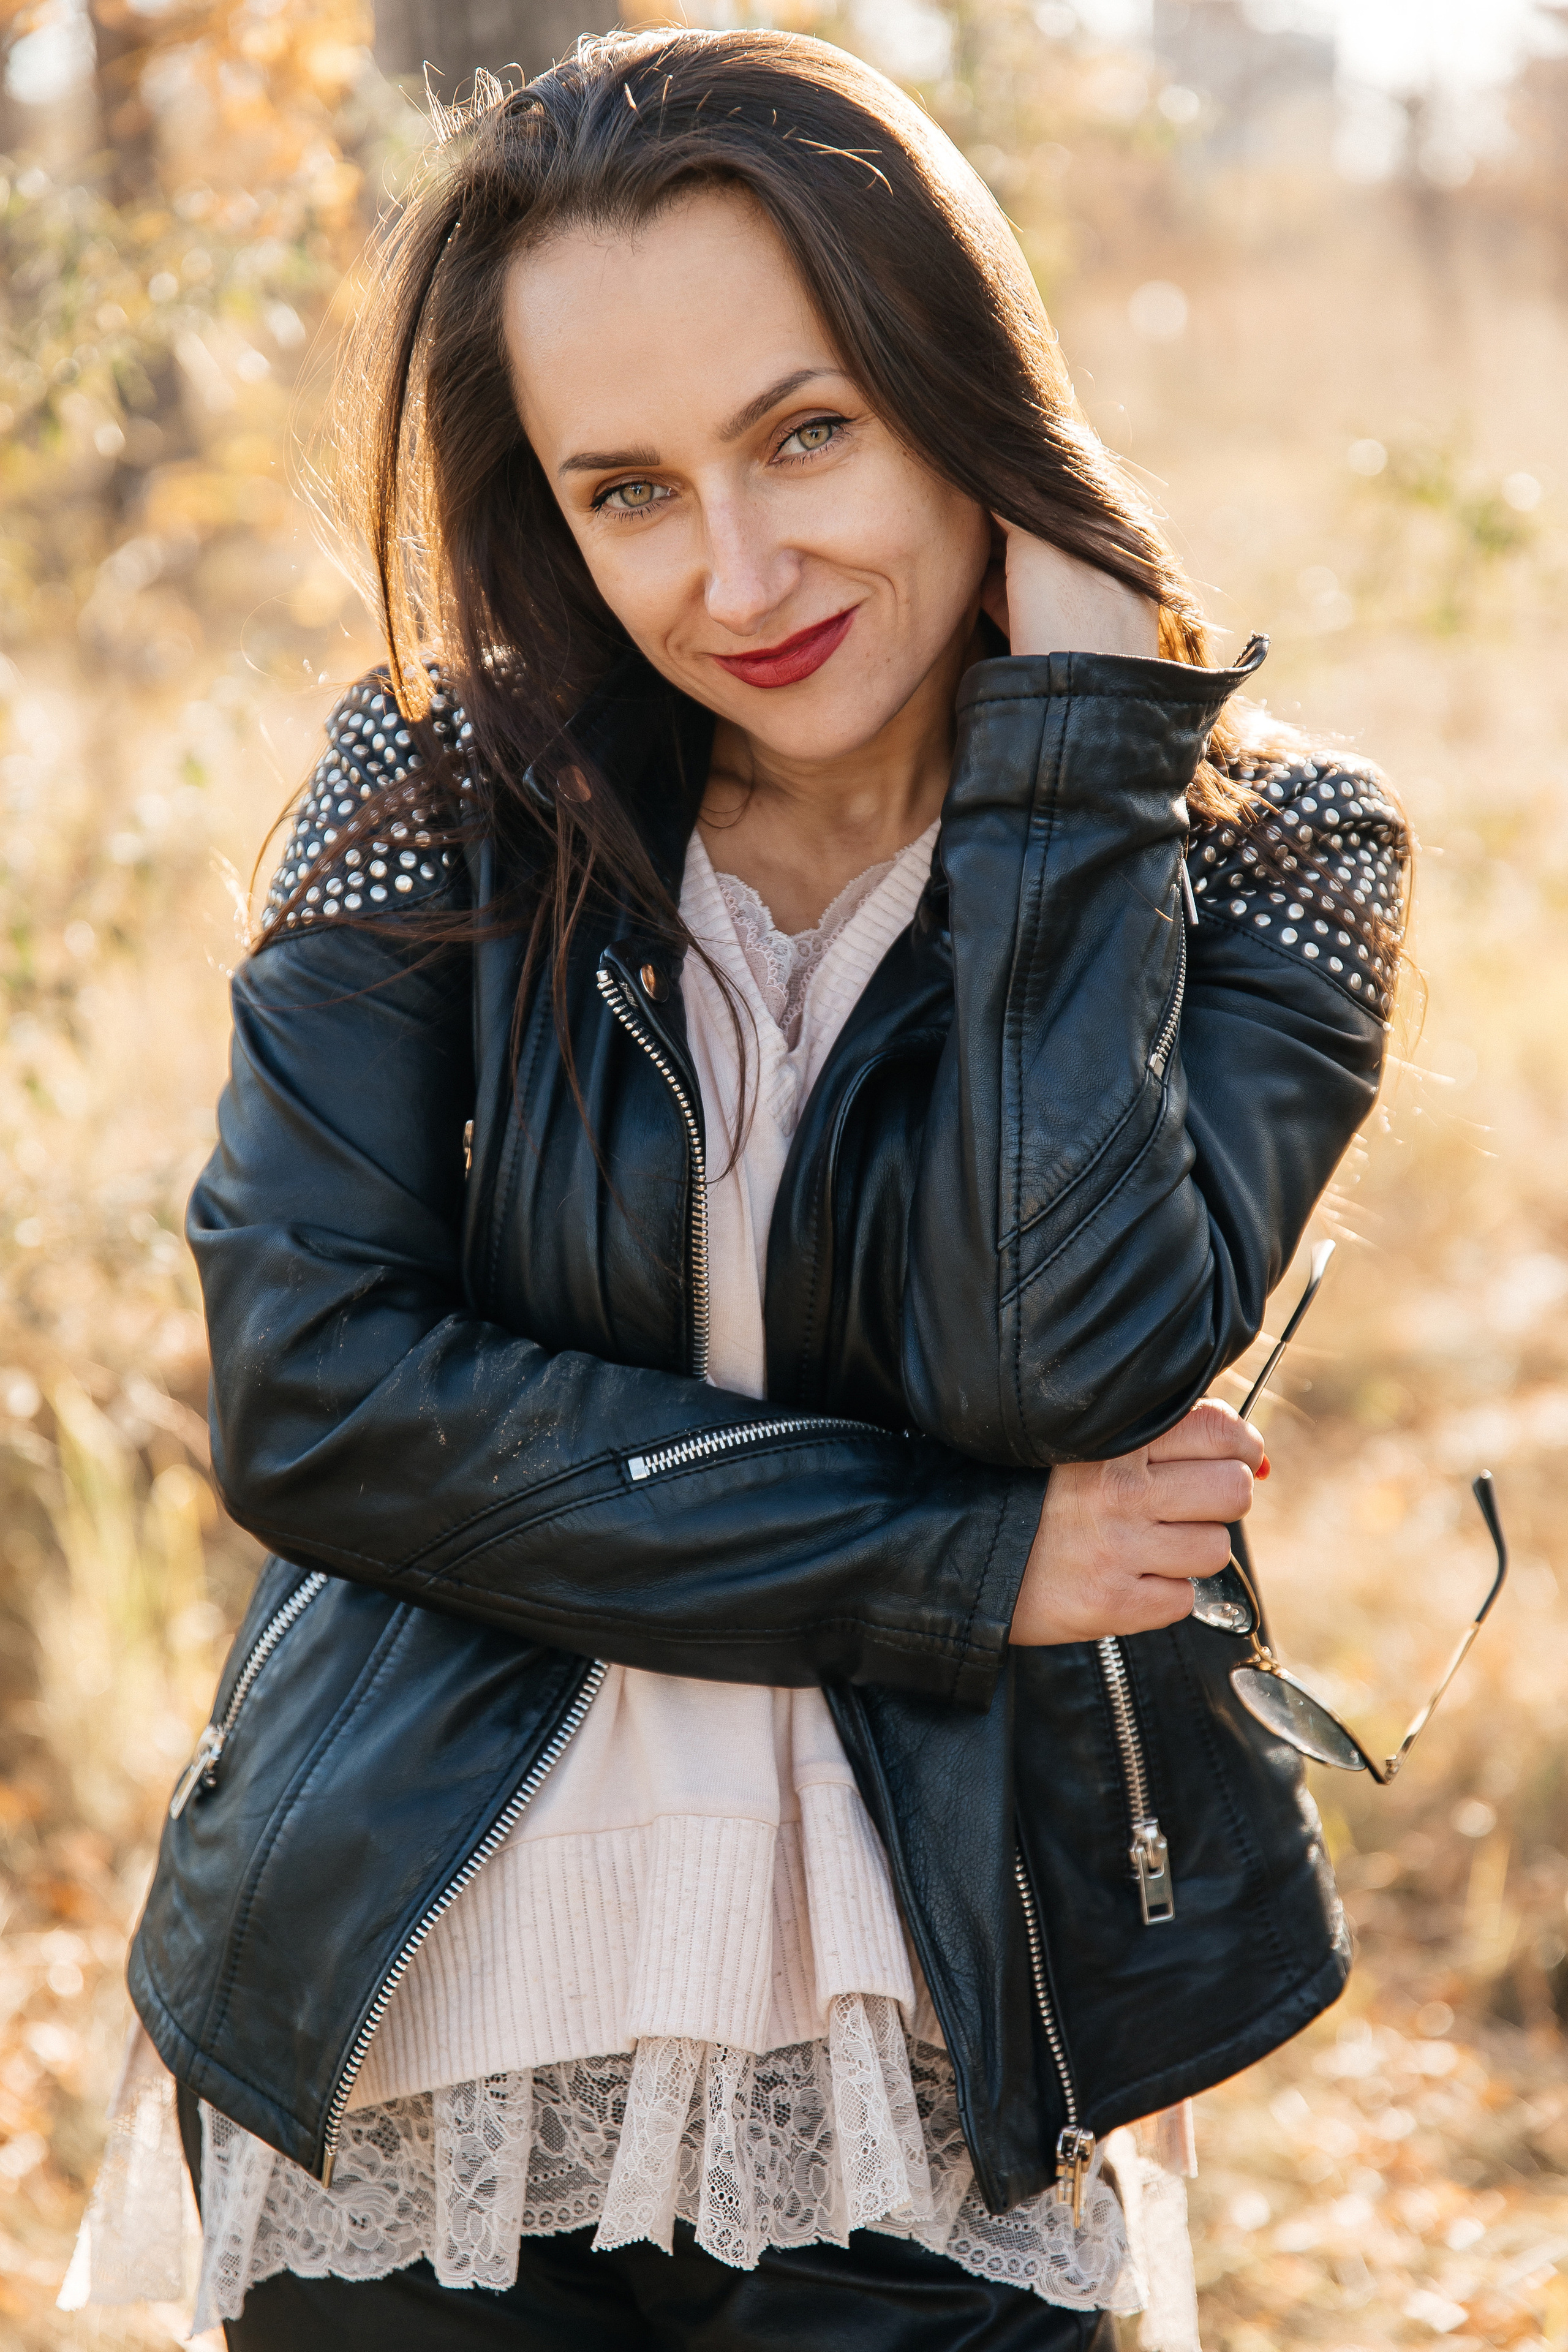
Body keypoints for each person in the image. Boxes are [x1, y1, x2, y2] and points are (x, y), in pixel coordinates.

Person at [67, 26, 1408, 2350]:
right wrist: (961, 1564)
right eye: (629, 490)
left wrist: (1064, 791)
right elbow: (318, 1397)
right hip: (416, 2025)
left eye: (808, 434)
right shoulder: (439, 793)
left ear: (962, 392)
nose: (739, 571)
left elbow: (1054, 1368)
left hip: (940, 2044)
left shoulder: (1262, 861)